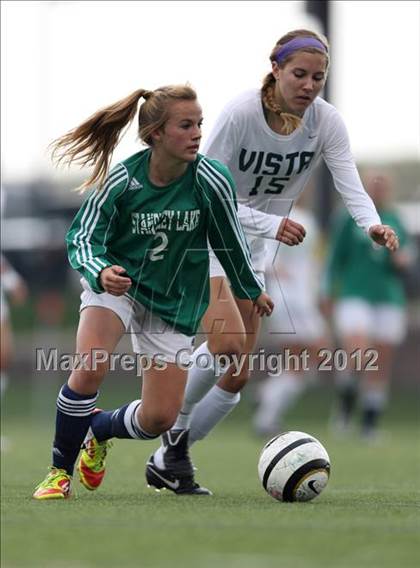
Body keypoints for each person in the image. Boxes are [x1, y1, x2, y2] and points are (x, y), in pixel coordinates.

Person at [145, 29, 400, 495]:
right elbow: (204, 192)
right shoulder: (242, 113)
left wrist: (372, 225)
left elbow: (349, 182)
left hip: (257, 248)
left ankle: (170, 456)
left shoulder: (326, 122)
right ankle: (161, 424)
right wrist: (268, 222)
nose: (308, 85)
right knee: (225, 345)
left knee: (238, 372)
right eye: (299, 74)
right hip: (209, 237)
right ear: (276, 69)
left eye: (318, 77)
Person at [32, 84, 273, 500]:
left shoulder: (211, 179)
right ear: (156, 134)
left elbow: (229, 241)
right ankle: (59, 473)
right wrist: (101, 270)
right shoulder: (123, 179)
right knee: (90, 366)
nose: (197, 133)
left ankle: (100, 430)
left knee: (159, 419)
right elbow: (82, 239)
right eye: (186, 125)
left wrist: (251, 290)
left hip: (174, 299)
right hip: (118, 286)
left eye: (199, 123)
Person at [323, 171, 413, 440]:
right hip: (354, 293)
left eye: (384, 185)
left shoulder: (396, 219)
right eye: (374, 184)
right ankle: (345, 407)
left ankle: (370, 422)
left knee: (381, 361)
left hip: (388, 296)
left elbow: (406, 256)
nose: (379, 190)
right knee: (360, 354)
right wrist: (327, 292)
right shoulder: (347, 218)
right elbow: (334, 259)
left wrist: (402, 260)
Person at [253, 199, 329, 437]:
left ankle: (267, 403)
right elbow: (260, 256)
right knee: (319, 351)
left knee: (301, 361)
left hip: (302, 298)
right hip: (288, 299)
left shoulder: (308, 219)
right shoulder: (271, 217)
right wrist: (276, 269)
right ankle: (267, 406)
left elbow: (314, 262)